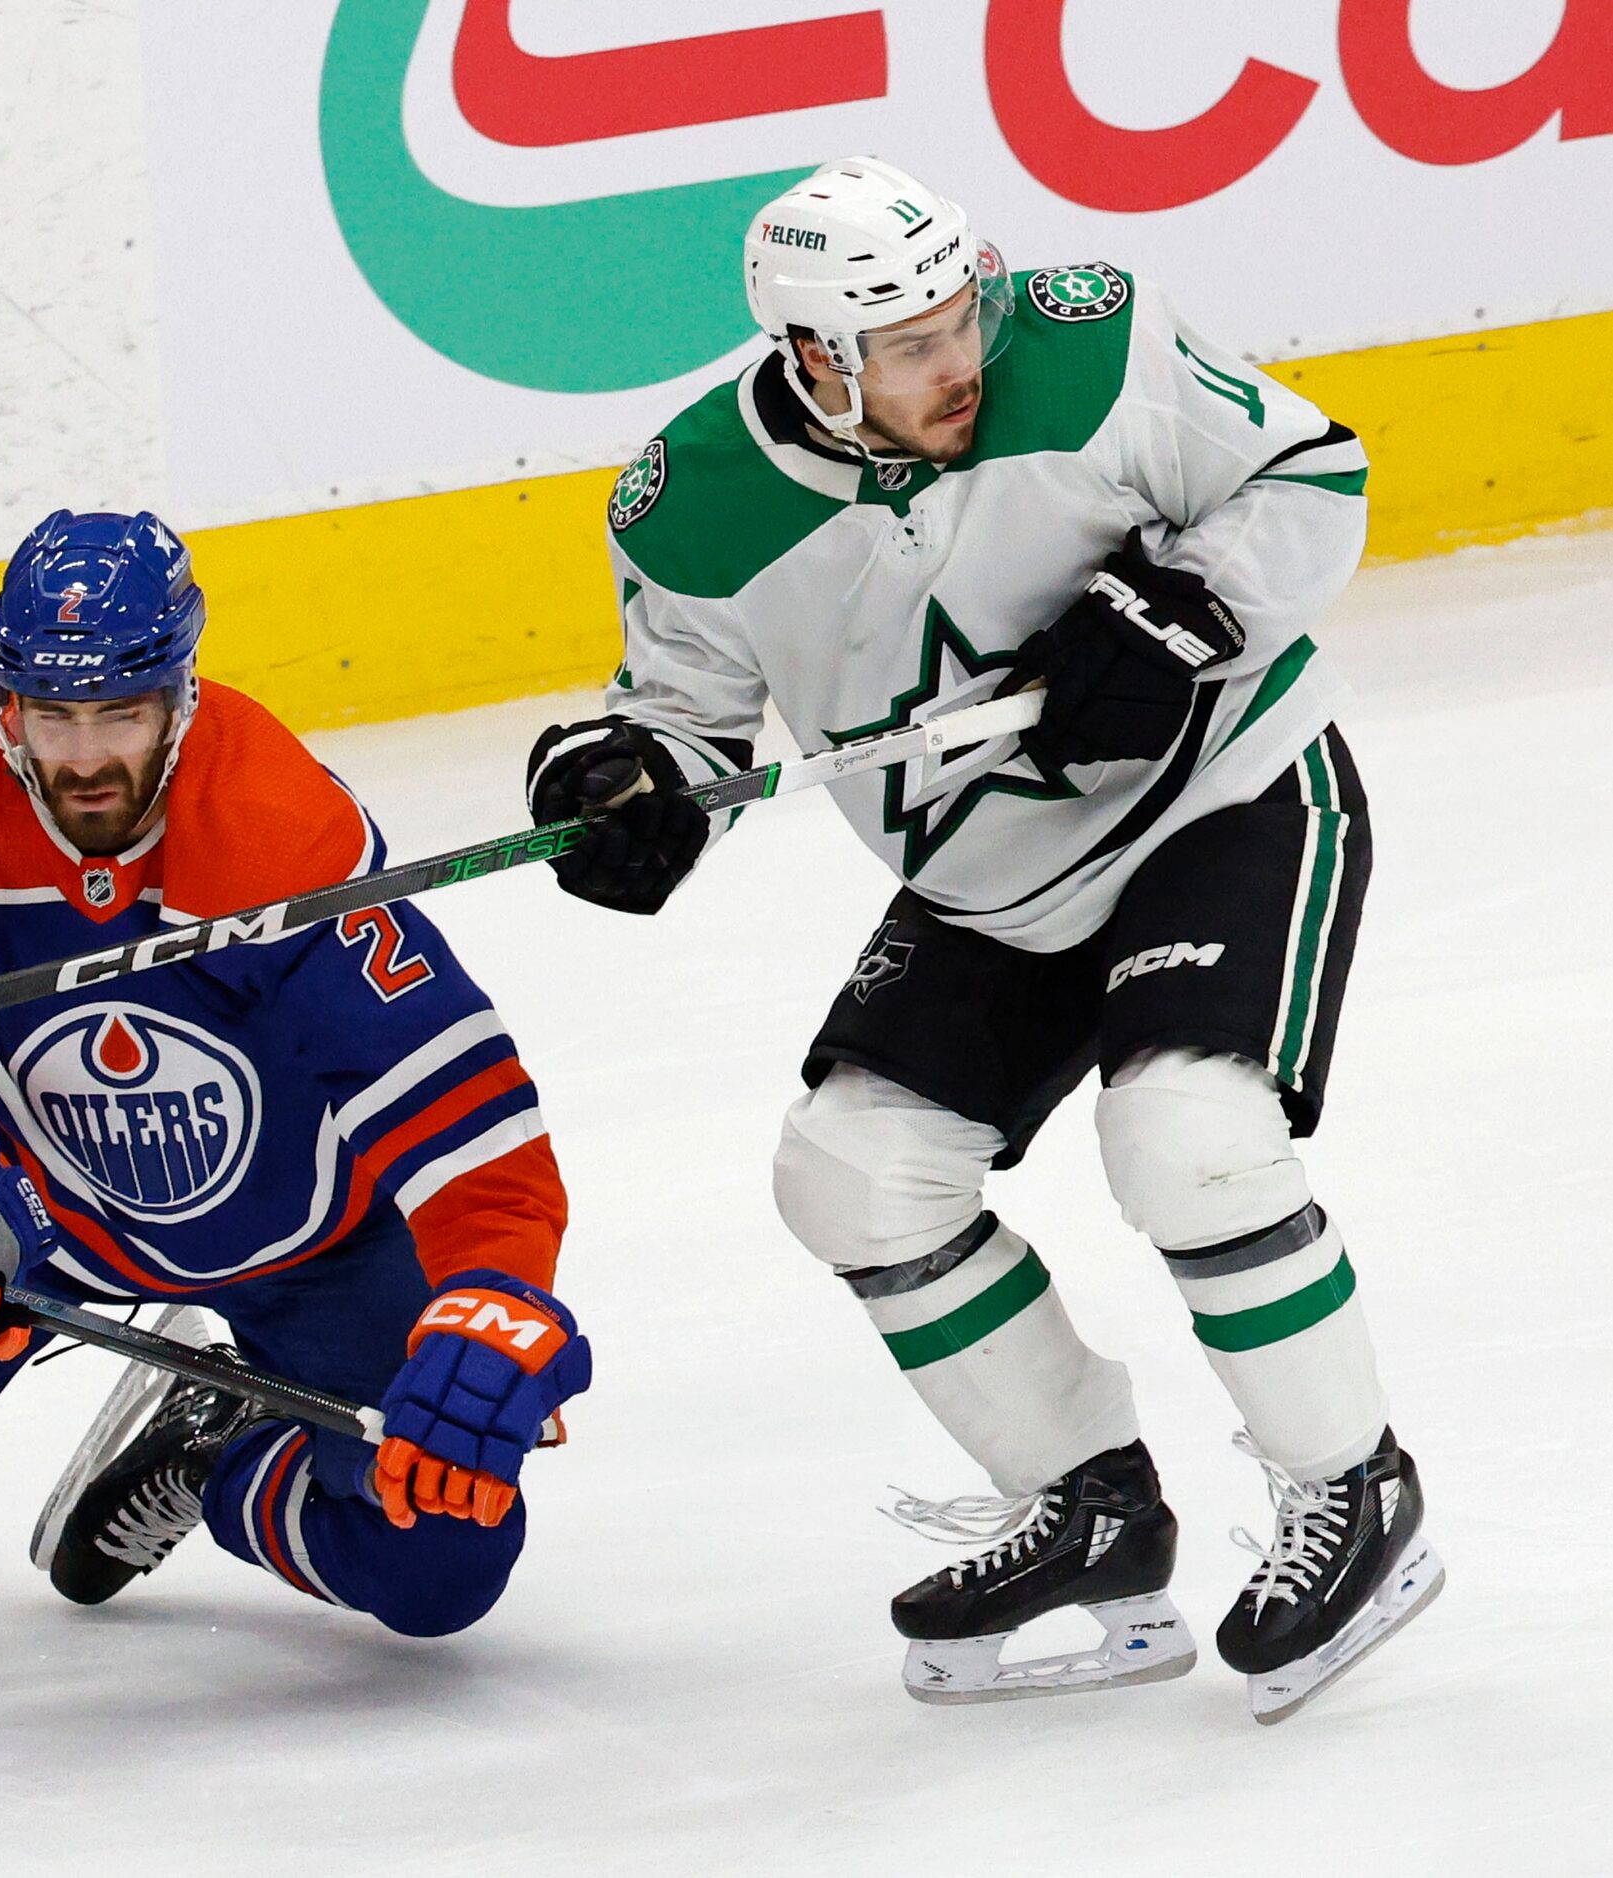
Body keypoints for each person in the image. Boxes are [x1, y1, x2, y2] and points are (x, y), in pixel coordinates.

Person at [525, 156, 1437, 1718]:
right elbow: (683, 719)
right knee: (852, 1171)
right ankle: (1088, 1501)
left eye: (962, 318)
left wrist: (1183, 607)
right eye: (911, 345)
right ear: (815, 359)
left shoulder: (1090, 345)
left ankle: (1355, 1487)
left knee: (1186, 1134)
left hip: (1220, 796)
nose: (960, 363)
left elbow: (1311, 475)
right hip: (991, 889)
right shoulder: (693, 508)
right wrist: (623, 784)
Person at [0, 508, 590, 1638]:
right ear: (5, 704)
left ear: (180, 697)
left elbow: (457, 1111)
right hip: (32, 1212)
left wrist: (492, 1293)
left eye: (119, 714)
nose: (84, 758)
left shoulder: (275, 828)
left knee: (436, 1566)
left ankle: (208, 1447)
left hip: (315, 1242)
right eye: (52, 715)